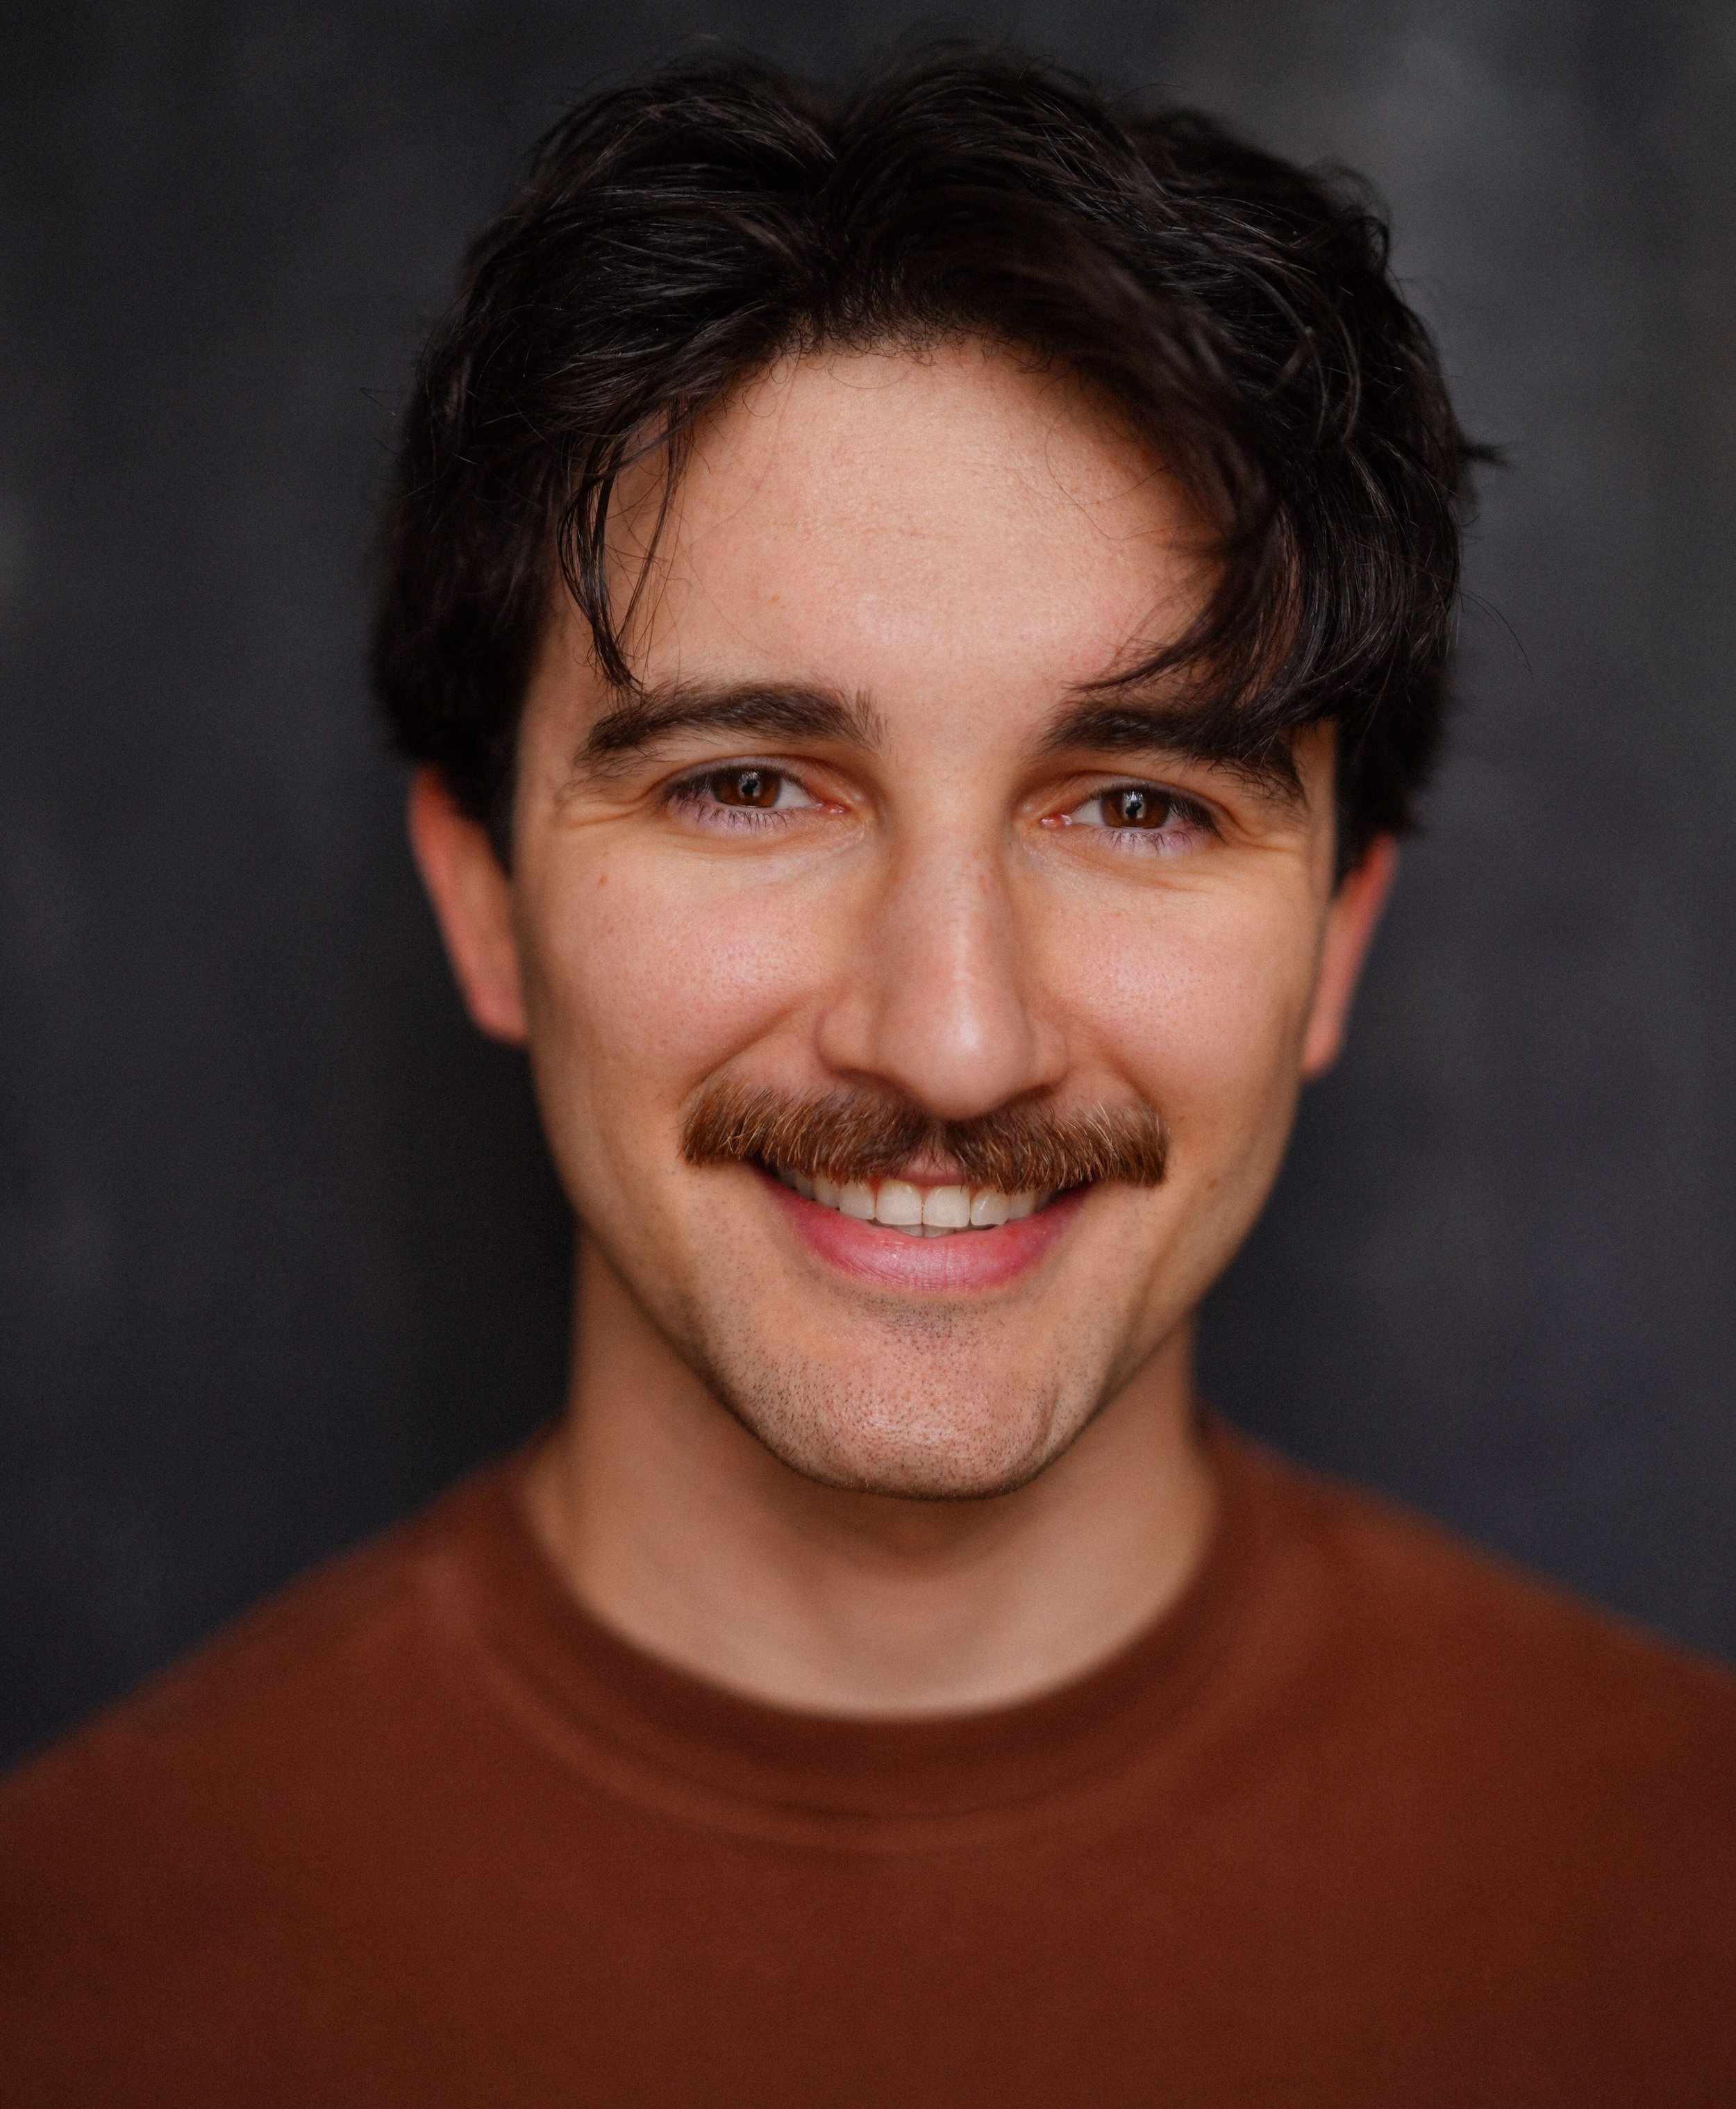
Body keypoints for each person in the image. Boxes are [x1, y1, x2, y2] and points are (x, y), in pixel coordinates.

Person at [3, 44, 1732, 2106]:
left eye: (1143, 807)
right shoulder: (68, 1979)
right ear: (481, 905)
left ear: (1337, 940)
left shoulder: (1683, 1908)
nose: (951, 1035)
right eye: (748, 786)